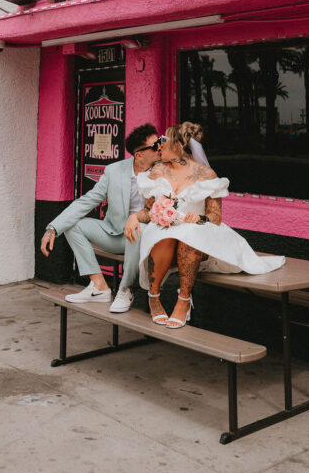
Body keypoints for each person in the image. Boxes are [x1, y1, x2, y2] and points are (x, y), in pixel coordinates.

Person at [124, 122, 285, 328]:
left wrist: (198, 218)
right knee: (162, 235)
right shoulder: (157, 171)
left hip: (196, 233)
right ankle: (154, 296)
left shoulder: (207, 175)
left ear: (178, 145)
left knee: (190, 236)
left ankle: (183, 300)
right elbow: (148, 210)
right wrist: (135, 217)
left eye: (163, 141)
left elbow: (214, 217)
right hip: (165, 234)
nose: (159, 146)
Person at [40, 123, 164, 312]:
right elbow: (88, 200)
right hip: (116, 234)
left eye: (161, 142)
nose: (161, 147)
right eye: (156, 145)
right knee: (73, 226)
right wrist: (53, 228)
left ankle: (126, 288)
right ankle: (99, 286)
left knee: (138, 229)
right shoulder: (114, 171)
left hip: (147, 236)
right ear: (139, 155)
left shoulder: (165, 171)